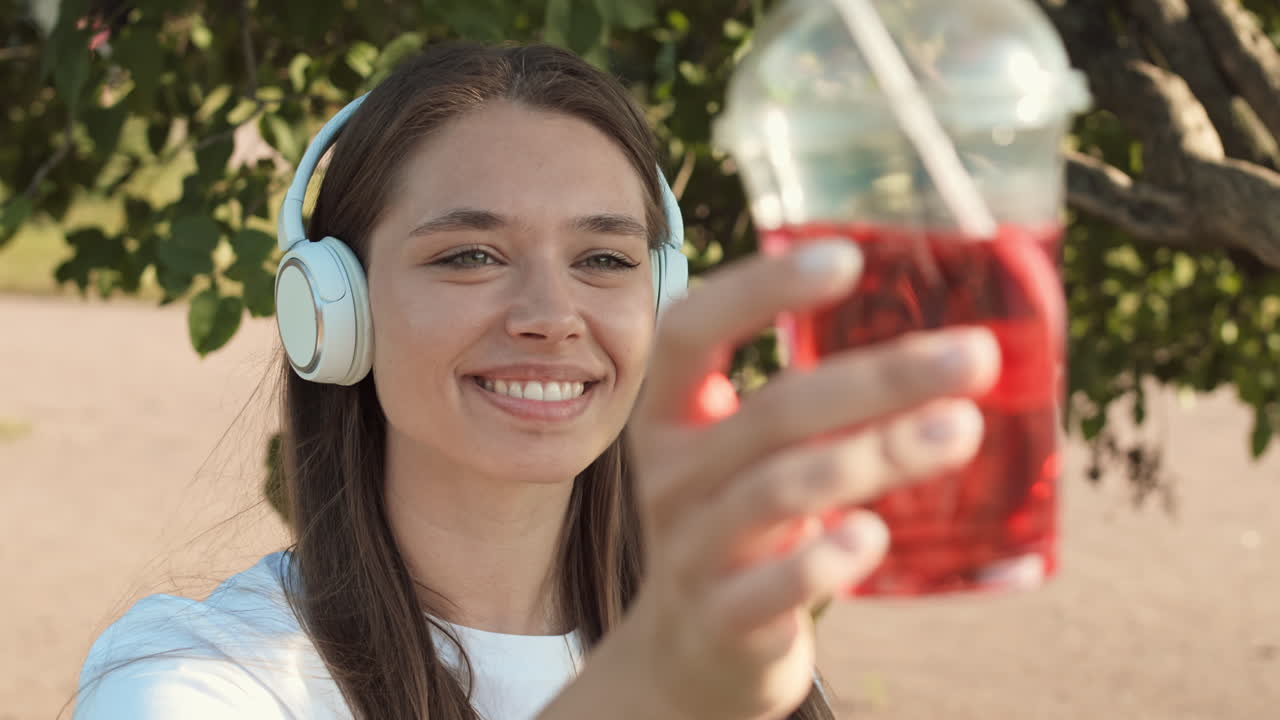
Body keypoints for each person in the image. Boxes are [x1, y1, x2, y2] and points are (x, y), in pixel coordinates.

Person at [70, 42, 997, 720]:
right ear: (333, 308)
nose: (552, 316)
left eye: (604, 259)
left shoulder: (722, 661)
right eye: (470, 255)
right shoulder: (192, 680)